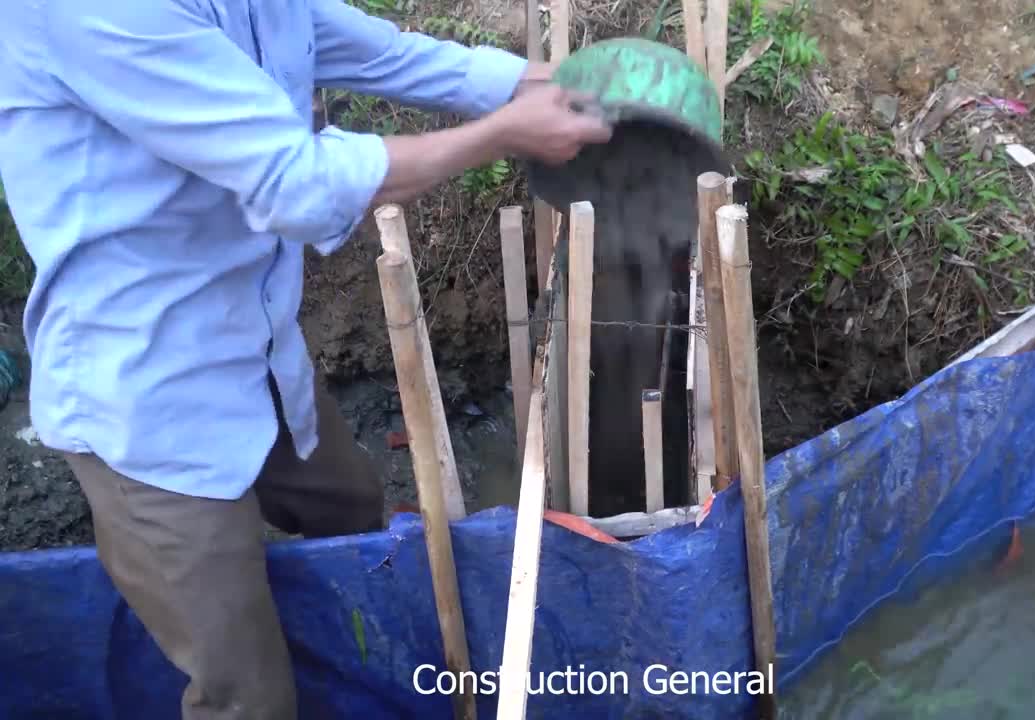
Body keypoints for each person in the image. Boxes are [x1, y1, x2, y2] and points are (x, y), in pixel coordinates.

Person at [0, 1, 612, 717]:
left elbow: (377, 51)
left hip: (254, 350)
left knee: (351, 513)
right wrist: (504, 134)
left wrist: (529, 82)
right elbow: (297, 181)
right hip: (149, 407)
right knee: (247, 694)